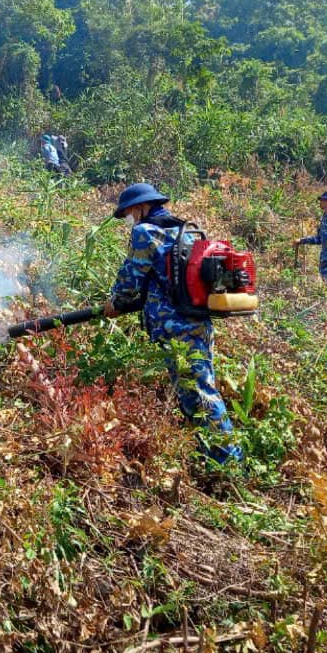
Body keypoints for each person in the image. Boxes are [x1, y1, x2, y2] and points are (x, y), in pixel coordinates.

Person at [102, 183, 243, 464]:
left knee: (201, 393)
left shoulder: (146, 231)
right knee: (196, 389)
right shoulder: (184, 231)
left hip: (175, 327)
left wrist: (116, 302)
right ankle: (208, 456)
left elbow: (132, 276)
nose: (129, 219)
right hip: (199, 321)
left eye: (129, 213)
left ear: (141, 207)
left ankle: (231, 463)